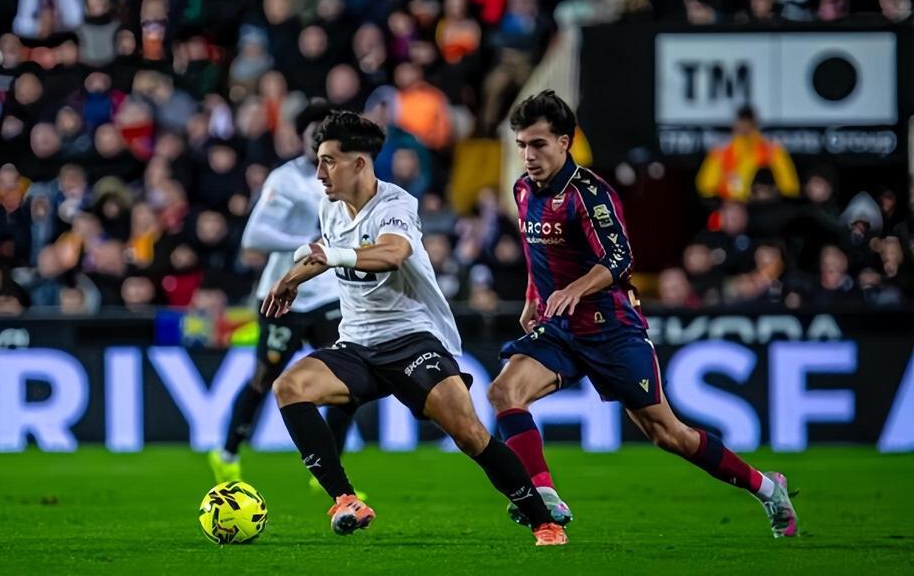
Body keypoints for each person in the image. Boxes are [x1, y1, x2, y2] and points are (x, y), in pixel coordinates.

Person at [487, 90, 797, 538]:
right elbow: (536, 250)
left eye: (538, 144)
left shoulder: (590, 195)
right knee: (503, 392)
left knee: (668, 434)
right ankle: (544, 495)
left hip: (611, 329)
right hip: (560, 328)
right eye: (521, 145)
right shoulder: (522, 190)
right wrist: (533, 296)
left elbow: (620, 259)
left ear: (565, 142)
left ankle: (767, 488)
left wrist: (573, 289)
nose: (528, 156)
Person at [262, 110, 567, 546]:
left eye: (329, 160)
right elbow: (328, 249)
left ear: (359, 163)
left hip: (413, 341)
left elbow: (391, 254)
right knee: (288, 387)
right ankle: (345, 499)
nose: (319, 172)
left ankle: (544, 521)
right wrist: (293, 277)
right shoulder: (329, 207)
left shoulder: (395, 204)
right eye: (319, 160)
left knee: (469, 433)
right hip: (357, 346)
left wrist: (331, 257)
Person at [209, 102, 358, 492]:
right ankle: (227, 453)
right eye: (312, 133)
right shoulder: (286, 179)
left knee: (347, 381)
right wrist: (304, 245)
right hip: (285, 294)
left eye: (324, 132)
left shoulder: (348, 177)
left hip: (327, 293)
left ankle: (327, 471)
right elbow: (253, 238)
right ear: (302, 137)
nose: (318, 139)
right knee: (265, 376)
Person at [696, 105, 798, 202]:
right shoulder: (721, 150)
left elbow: (790, 188)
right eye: (742, 121)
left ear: (755, 122)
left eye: (748, 121)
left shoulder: (771, 149)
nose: (745, 126)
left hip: (761, 207)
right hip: (731, 209)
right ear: (735, 123)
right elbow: (706, 187)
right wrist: (720, 203)